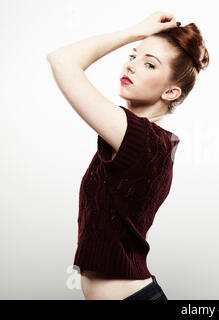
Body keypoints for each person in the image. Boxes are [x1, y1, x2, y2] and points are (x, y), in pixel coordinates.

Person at [47, 11, 209, 300]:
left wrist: (135, 31)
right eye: (133, 56)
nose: (131, 66)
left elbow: (63, 60)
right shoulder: (147, 141)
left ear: (171, 91)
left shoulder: (145, 140)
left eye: (149, 64)